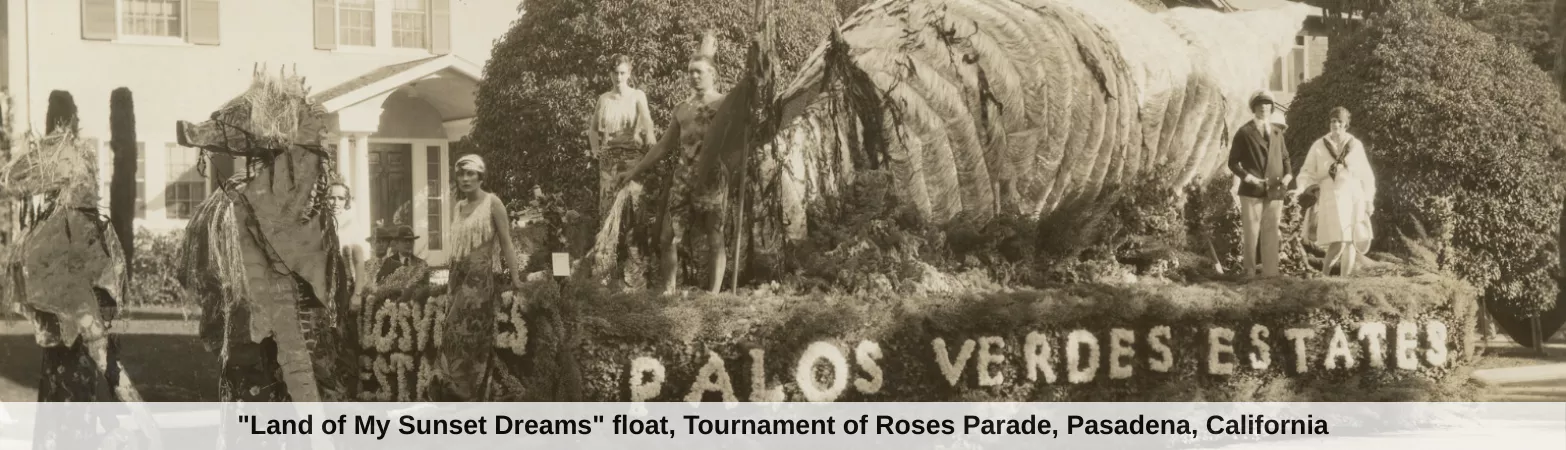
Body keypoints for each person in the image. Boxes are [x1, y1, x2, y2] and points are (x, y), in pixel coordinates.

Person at [613, 31, 729, 294]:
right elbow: (663, 147)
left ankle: (713, 296)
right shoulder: (682, 108)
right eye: (690, 72)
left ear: (713, 74)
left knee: (715, 236)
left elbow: (739, 140)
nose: (694, 76)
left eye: (699, 71)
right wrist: (633, 171)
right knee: (667, 237)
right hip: (683, 180)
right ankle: (668, 293)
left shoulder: (724, 104)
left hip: (711, 179)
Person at [433, 154, 527, 401]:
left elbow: (506, 243)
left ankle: (468, 393)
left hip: (478, 280)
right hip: (456, 278)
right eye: (461, 174)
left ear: (480, 176)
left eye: (470, 174)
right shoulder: (458, 206)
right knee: (450, 332)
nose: (465, 179)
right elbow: (457, 246)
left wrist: (515, 278)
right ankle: (449, 390)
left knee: (465, 334)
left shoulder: (492, 203)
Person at [1291, 107, 1375, 276]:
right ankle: (1325, 275)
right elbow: (1307, 170)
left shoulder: (1355, 145)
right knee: (1337, 241)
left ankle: (1344, 281)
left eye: (1340, 121)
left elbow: (1366, 175)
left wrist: (1368, 200)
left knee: (1350, 240)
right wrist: (1300, 188)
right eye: (1333, 121)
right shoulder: (1319, 145)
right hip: (1331, 197)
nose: (1336, 124)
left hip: (1353, 196)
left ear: (1346, 125)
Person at [1227, 91, 1293, 278]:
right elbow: (1232, 163)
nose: (1264, 108)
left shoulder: (1277, 132)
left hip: (1276, 189)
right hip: (1251, 190)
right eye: (1260, 105)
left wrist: (1288, 176)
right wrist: (1249, 178)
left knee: (1271, 231)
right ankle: (1249, 271)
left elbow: (1285, 158)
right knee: (1251, 231)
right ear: (1254, 108)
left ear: (1271, 109)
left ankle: (1270, 272)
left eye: (1267, 106)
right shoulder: (1244, 132)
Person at [589, 54, 657, 217]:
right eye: (615, 73)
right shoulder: (604, 99)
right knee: (609, 207)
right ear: (610, 74)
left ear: (629, 73)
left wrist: (651, 139)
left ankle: (634, 242)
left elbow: (647, 121)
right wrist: (595, 150)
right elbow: (593, 130)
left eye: (622, 73)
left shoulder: (637, 95)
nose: (618, 77)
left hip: (632, 156)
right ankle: (609, 242)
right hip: (608, 160)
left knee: (633, 205)